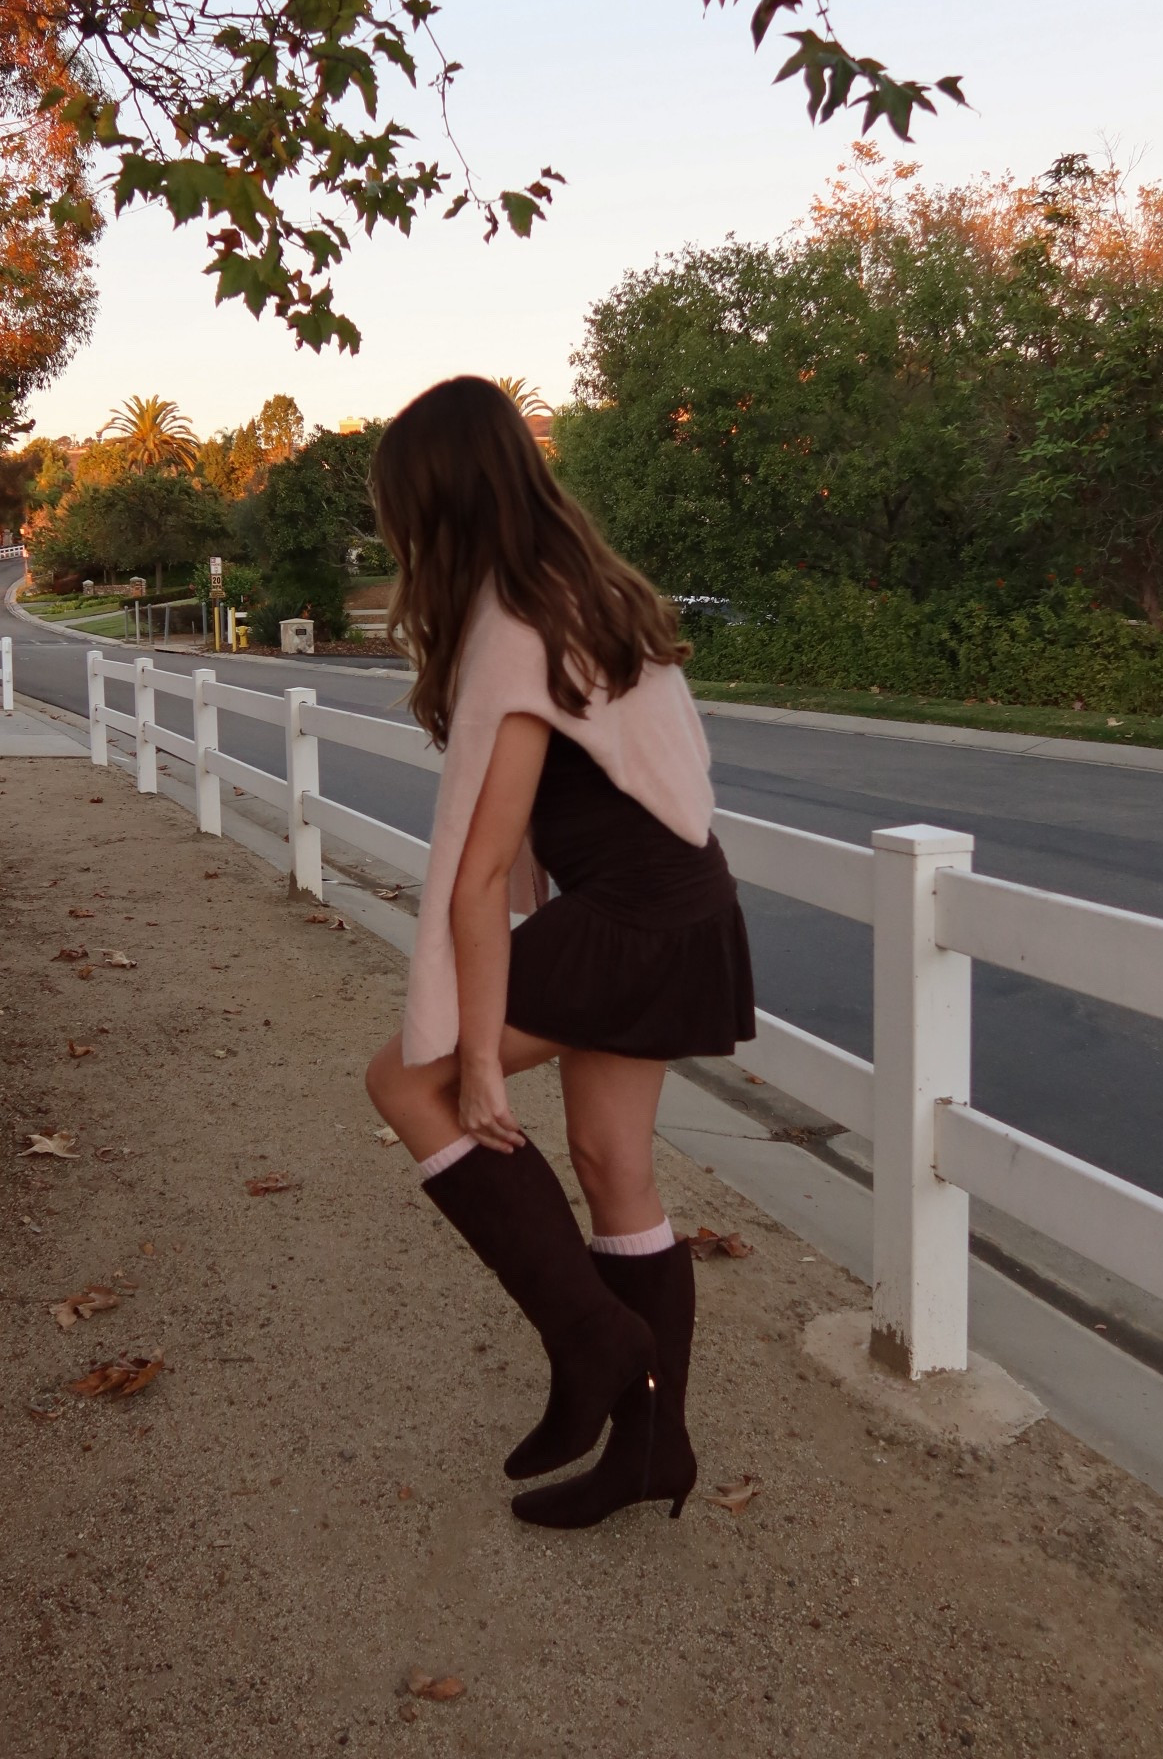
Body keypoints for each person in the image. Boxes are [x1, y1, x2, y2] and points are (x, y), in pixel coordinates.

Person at [364, 377, 756, 1530]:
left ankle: (592, 1342)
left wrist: (479, 1050)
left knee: (408, 1080)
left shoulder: (515, 619)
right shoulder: (578, 587)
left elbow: (482, 874)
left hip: (637, 915)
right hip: (680, 902)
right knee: (608, 1160)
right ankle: (651, 1444)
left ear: (433, 502)